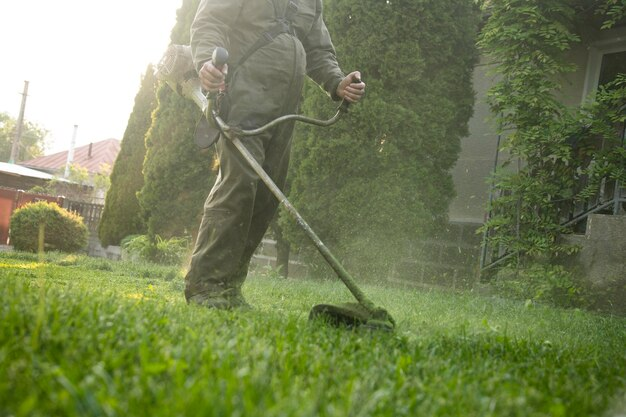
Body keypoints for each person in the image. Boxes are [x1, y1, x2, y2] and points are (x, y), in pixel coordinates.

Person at [185, 0, 365, 309]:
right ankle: (205, 286)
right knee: (239, 187)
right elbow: (209, 22)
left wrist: (337, 82)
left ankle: (229, 287)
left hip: (284, 114)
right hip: (242, 100)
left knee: (266, 198)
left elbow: (318, 50)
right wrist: (207, 62)